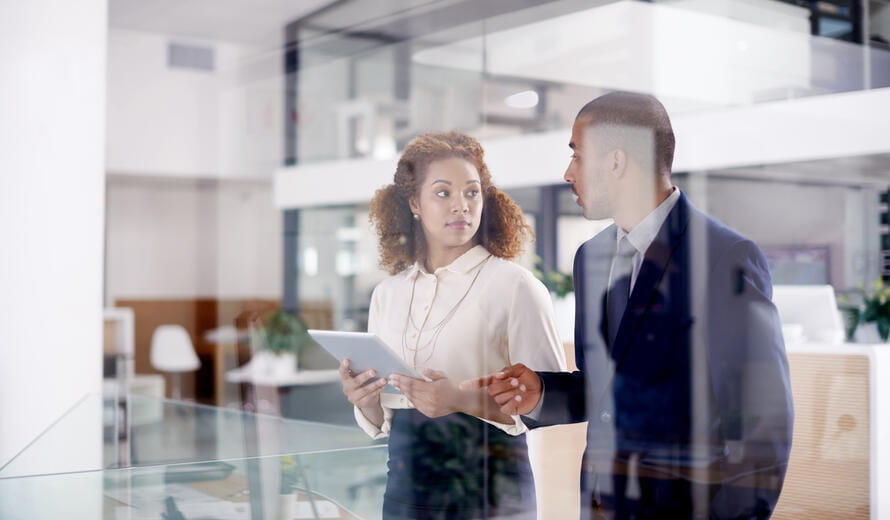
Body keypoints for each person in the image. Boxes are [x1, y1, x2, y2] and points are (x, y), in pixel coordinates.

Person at [464, 92, 794, 519]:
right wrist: (542, 393)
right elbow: (604, 390)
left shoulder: (722, 257)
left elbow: (763, 430)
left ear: (616, 161)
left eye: (577, 155)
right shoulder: (591, 258)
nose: (568, 173)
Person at [338, 131, 567, 519]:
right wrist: (366, 399)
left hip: (490, 492)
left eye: (472, 192)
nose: (461, 205)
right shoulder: (388, 294)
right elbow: (386, 419)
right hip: (405, 491)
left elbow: (552, 405)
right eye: (443, 193)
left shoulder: (515, 286)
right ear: (414, 203)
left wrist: (460, 400)